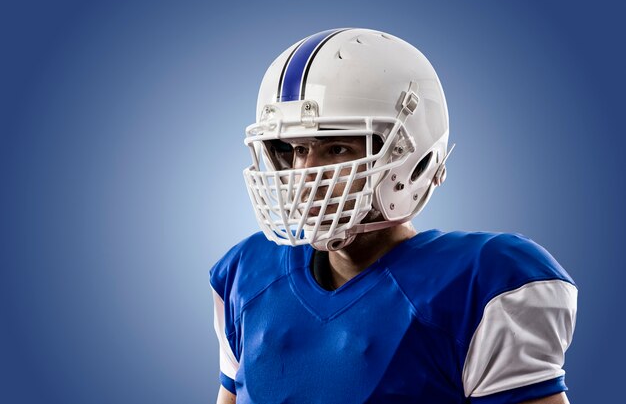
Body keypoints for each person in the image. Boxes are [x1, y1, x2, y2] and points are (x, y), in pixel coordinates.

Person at [210, 28, 577, 404]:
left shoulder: (482, 283)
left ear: (410, 157)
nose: (307, 175)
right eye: (298, 149)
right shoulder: (247, 273)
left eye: (337, 148)